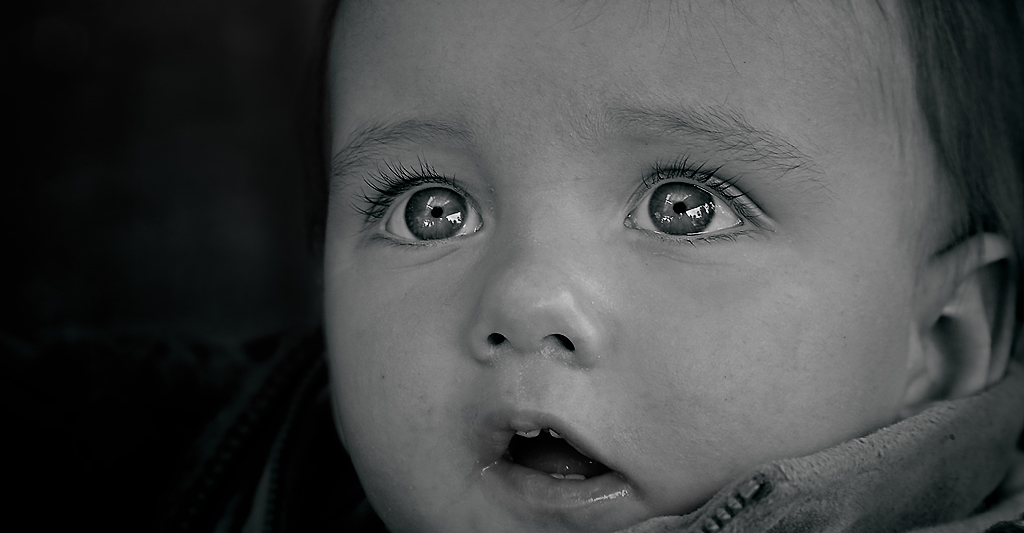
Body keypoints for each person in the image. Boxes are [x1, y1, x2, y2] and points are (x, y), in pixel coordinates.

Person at [161, 1, 1024, 531]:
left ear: (941, 341)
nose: (528, 297)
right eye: (434, 210)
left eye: (685, 208)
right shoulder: (211, 458)